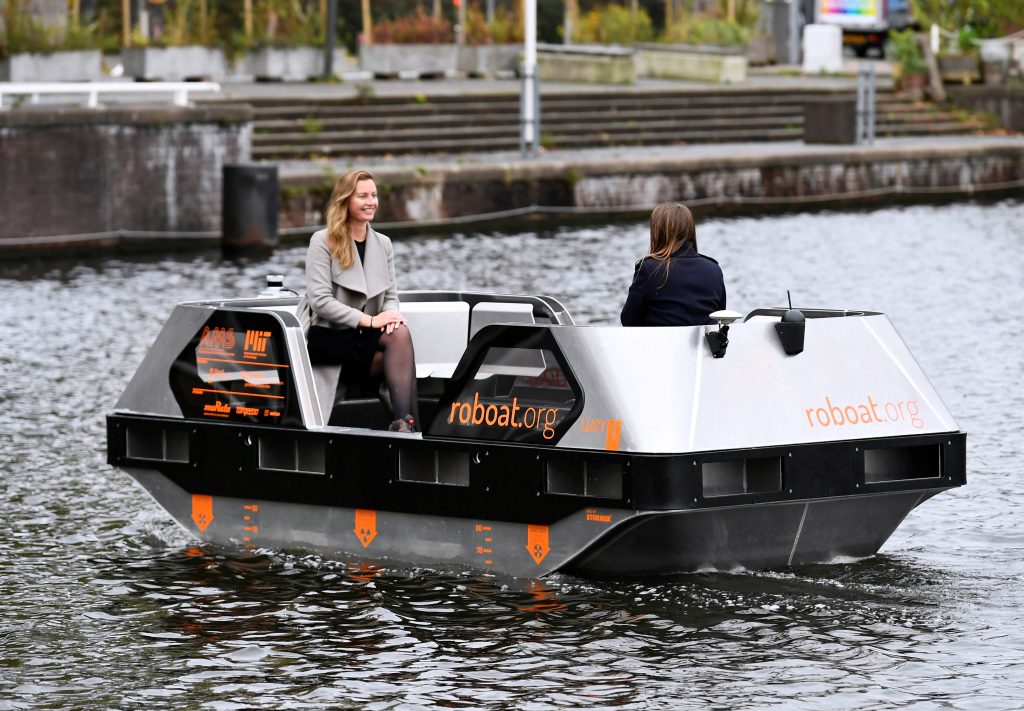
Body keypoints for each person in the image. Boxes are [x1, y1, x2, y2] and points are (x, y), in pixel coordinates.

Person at [305, 169, 419, 433]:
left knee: (399, 332)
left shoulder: (384, 244)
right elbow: (320, 301)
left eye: (374, 195)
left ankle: (404, 423)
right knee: (397, 338)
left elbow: (390, 297)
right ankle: (411, 423)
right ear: (346, 201)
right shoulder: (321, 242)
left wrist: (391, 316)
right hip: (332, 339)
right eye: (363, 196)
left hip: (366, 341)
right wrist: (370, 320)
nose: (371, 202)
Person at [620, 203, 726, 327]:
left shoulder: (648, 268)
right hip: (704, 345)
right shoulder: (714, 269)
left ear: (657, 232)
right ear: (690, 230)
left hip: (660, 344)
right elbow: (720, 316)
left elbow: (629, 321)